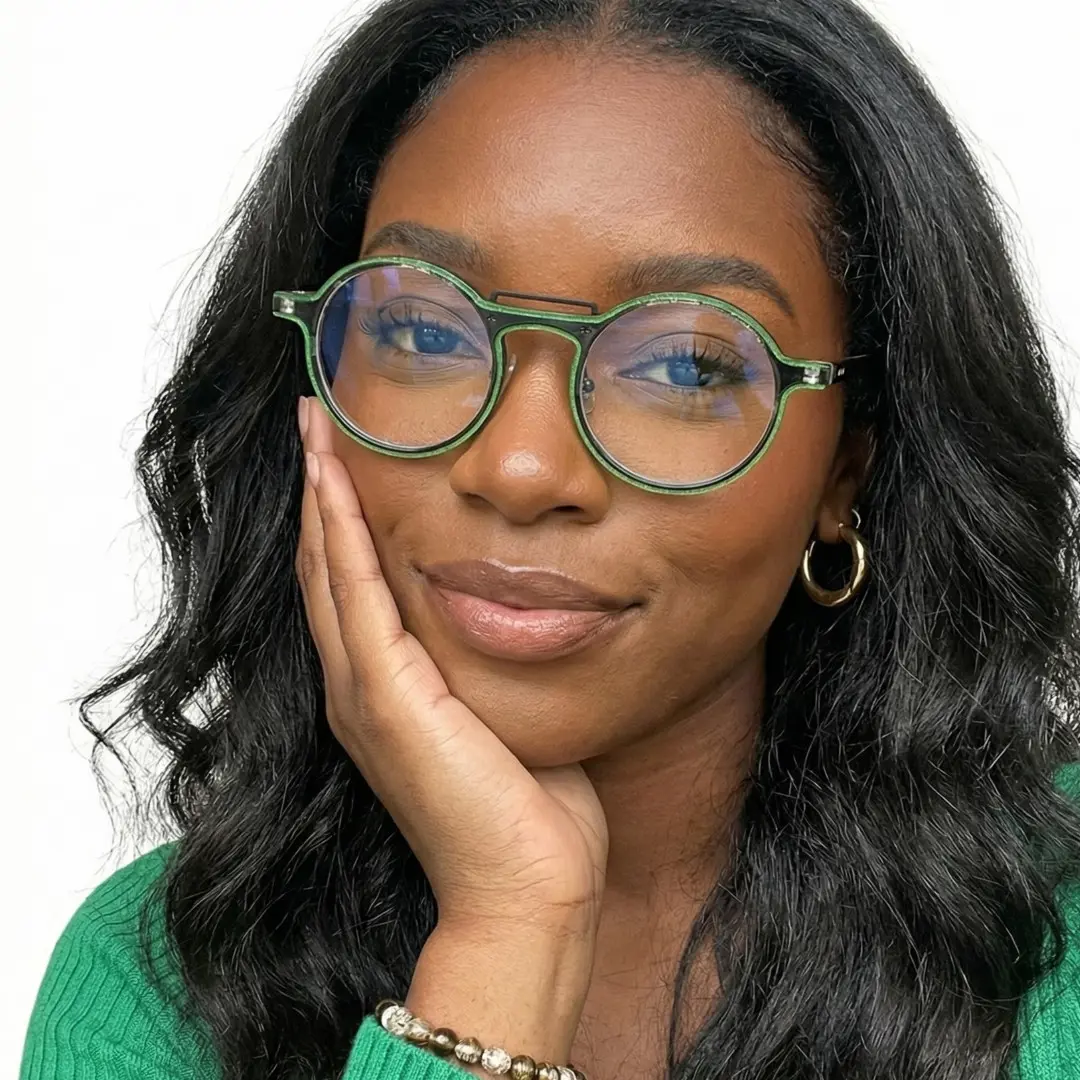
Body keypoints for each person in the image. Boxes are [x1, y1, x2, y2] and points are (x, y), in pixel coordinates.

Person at [19, 0, 1080, 1078]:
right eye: (421, 329)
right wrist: (505, 932)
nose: (520, 468)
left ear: (845, 471)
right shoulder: (154, 990)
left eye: (685, 364)